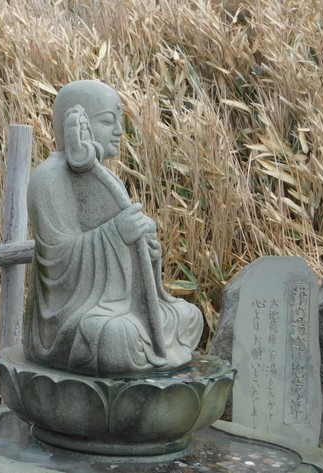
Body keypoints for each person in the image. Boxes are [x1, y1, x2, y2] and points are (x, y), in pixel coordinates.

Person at [23, 80, 203, 376]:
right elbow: (56, 262)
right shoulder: (47, 179)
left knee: (189, 316)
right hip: (72, 313)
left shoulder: (101, 175)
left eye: (119, 121)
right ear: (76, 124)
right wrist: (116, 234)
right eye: (108, 121)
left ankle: (147, 343)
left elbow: (129, 257)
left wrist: (145, 251)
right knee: (116, 337)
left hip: (117, 304)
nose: (120, 131)